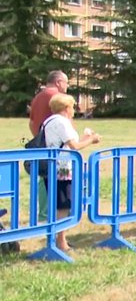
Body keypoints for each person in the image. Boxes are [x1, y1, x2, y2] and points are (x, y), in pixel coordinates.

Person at [43, 94, 101, 251]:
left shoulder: (49, 121)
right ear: (66, 108)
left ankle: (58, 239)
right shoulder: (62, 122)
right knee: (63, 206)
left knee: (60, 205)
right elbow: (74, 146)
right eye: (73, 106)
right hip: (62, 169)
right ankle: (60, 241)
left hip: (53, 168)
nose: (74, 110)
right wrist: (92, 139)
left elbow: (67, 144)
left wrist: (85, 137)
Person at [28, 71, 69, 222]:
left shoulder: (38, 96)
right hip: (57, 145)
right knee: (56, 179)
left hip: (42, 143)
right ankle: (53, 213)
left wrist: (40, 139)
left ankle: (44, 213)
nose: (67, 86)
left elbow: (32, 122)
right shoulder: (57, 97)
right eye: (66, 82)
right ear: (58, 82)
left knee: (43, 177)